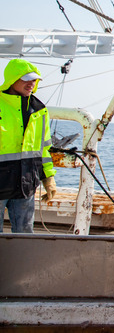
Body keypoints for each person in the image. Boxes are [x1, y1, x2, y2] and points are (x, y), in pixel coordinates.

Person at [0, 59, 57, 233]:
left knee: (25, 235)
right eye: (26, 79)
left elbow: (44, 148)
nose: (31, 83)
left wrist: (48, 178)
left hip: (25, 184)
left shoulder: (40, 111)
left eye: (34, 80)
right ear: (12, 79)